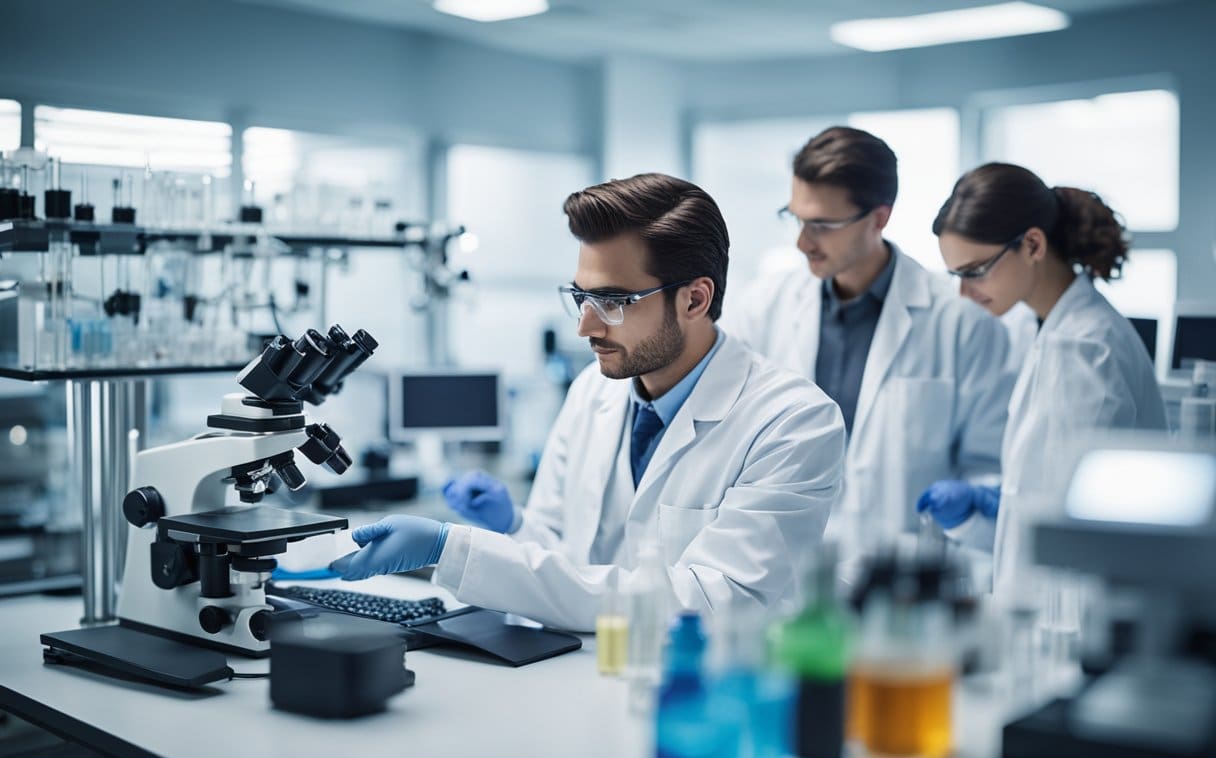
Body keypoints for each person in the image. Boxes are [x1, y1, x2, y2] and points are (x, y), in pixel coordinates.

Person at [331, 173, 847, 631]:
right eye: (580, 296)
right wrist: (515, 526)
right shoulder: (593, 390)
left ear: (695, 299)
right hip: (574, 678)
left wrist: (454, 549)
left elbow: (713, 600)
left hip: (700, 701)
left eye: (614, 301)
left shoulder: (793, 422)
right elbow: (564, 553)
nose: (585, 326)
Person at [726, 126, 1014, 553]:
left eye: (822, 224)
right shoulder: (764, 307)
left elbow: (988, 474)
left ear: (880, 217)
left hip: (900, 578)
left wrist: (965, 514)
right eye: (797, 219)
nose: (803, 242)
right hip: (781, 568)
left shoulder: (963, 323)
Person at [918, 162, 1167, 594]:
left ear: (1032, 244)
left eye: (975, 271)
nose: (964, 292)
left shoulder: (1082, 348)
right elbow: (1051, 487)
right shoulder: (1059, 330)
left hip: (1068, 617)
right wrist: (997, 503)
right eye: (956, 276)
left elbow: (1072, 523)